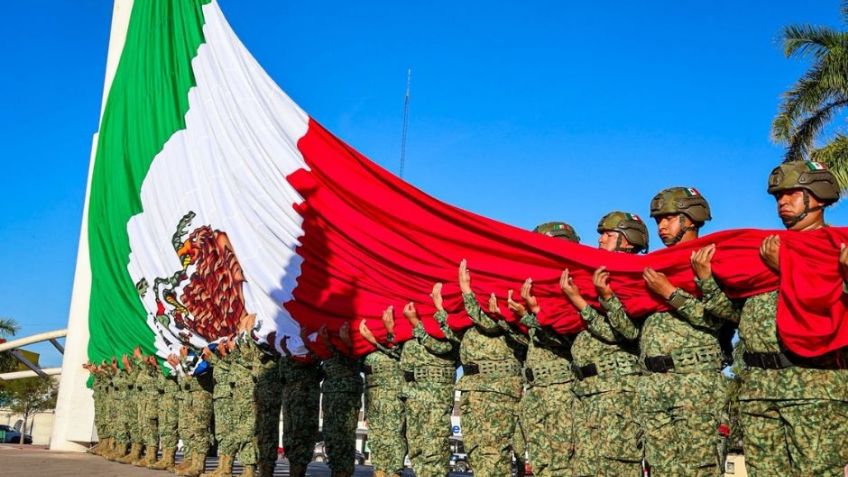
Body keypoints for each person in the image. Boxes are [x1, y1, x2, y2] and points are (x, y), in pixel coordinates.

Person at [606, 187, 738, 476]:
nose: (661, 226)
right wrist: (607, 298)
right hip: (653, 384)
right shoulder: (651, 268)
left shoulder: (713, 259)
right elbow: (631, 332)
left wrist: (671, 293)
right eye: (658, 220)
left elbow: (724, 316)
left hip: (695, 384)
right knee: (661, 470)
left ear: (691, 219)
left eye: (669, 218)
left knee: (699, 469)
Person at [737, 161, 848, 476]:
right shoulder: (759, 252)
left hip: (814, 389)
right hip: (759, 389)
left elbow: (833, 308)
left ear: (819, 197)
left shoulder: (838, 251)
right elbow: (730, 314)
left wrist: (787, 268)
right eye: (777, 197)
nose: (782, 202)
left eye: (791, 194)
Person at [557, 212, 647, 475]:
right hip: (585, 390)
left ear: (628, 241)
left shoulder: (634, 278)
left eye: (608, 234)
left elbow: (627, 332)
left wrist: (585, 303)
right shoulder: (589, 274)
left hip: (616, 392)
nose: (600, 239)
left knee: (616, 467)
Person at [505, 222, 579, 477]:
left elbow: (567, 338)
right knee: (541, 465)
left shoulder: (573, 288)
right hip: (535, 390)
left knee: (561, 465)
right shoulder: (538, 288)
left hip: (560, 389)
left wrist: (532, 315)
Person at [456, 259, 527, 477]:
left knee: (493, 456)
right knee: (476, 453)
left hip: (497, 390)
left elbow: (491, 322)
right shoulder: (468, 328)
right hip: (473, 389)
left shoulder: (503, 312)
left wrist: (467, 291)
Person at [398, 287, 459, 477]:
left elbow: (445, 344)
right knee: (416, 451)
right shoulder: (412, 326)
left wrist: (416, 322)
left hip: (436, 394)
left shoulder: (447, 319)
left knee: (434, 452)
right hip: (413, 393)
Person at [359, 309, 407, 477]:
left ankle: (394, 473)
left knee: (394, 439)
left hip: (392, 395)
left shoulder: (397, 338)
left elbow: (398, 351)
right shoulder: (365, 348)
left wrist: (377, 338)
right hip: (373, 399)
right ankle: (379, 472)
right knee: (376, 441)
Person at [320, 323, 364, 477]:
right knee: (330, 435)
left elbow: (351, 359)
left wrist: (345, 341)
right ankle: (336, 470)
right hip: (330, 397)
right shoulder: (329, 354)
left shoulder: (353, 348)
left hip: (346, 396)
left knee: (344, 436)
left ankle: (343, 472)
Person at [279, 333, 322, 477]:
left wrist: (286, 350)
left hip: (292, 406)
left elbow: (282, 376)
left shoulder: (286, 362)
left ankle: (295, 473)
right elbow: (320, 367)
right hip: (305, 407)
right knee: (303, 440)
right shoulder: (313, 363)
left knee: (294, 439)